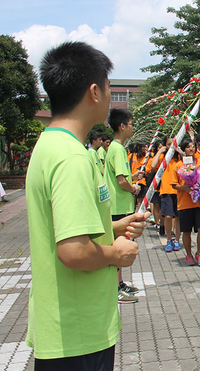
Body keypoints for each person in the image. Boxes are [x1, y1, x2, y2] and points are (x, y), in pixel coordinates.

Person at [26, 41, 148, 369]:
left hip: (63, 323)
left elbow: (64, 229)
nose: (110, 98)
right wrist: (116, 253)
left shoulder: (50, 144)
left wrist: (113, 228)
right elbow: (73, 252)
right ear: (94, 91)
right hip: (77, 331)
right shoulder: (72, 158)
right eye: (109, 89)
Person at [105, 108, 145, 303]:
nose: (133, 128)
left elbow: (120, 177)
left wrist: (133, 177)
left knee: (119, 245)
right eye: (131, 124)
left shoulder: (114, 148)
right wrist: (133, 188)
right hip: (119, 207)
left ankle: (119, 283)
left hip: (117, 206)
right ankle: (115, 288)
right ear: (122, 126)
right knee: (119, 247)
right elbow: (121, 181)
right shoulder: (119, 149)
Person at [173, 138, 200, 267]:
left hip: (199, 202)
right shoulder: (178, 165)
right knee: (186, 231)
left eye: (192, 146)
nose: (191, 149)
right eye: (188, 147)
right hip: (184, 203)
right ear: (183, 150)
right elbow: (174, 184)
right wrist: (185, 188)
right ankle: (188, 255)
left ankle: (199, 253)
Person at [156, 136, 181, 252]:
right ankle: (169, 240)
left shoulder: (179, 157)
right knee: (168, 216)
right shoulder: (163, 158)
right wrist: (160, 151)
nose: (171, 146)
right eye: (168, 144)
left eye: (173, 144)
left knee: (178, 218)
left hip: (180, 190)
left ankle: (177, 240)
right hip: (166, 189)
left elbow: (190, 165)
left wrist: (180, 151)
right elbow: (152, 166)